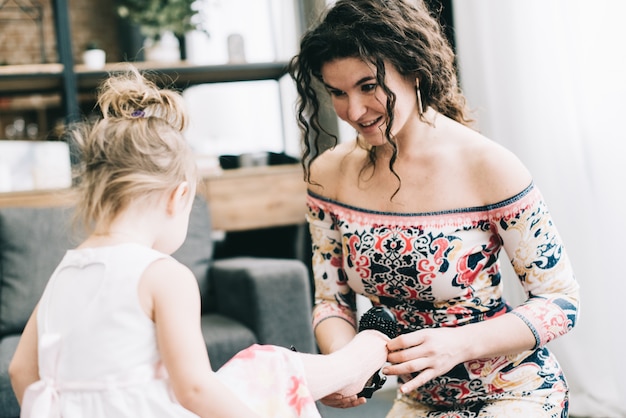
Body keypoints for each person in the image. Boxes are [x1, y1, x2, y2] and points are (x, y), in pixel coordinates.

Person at [8, 66, 393, 418]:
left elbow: (21, 370)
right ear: (179, 197)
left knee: (261, 371)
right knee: (268, 366)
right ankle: (361, 358)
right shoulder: (161, 276)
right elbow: (193, 387)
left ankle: (352, 365)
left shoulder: (66, 270)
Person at [288, 0, 580, 416]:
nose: (353, 111)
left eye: (369, 86)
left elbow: (560, 301)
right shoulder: (327, 174)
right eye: (338, 92)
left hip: (514, 392)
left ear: (415, 71)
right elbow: (331, 302)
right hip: (418, 400)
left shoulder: (487, 166)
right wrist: (346, 366)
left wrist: (458, 344)